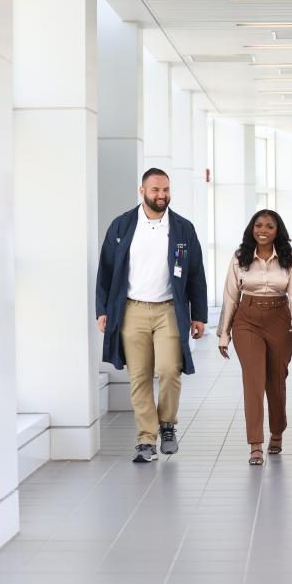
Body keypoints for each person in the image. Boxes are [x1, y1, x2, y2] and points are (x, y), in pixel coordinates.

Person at [96, 168, 208, 463]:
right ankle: (146, 440)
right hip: (132, 310)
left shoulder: (183, 228)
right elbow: (105, 271)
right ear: (142, 191)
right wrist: (103, 310)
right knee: (139, 376)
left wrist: (199, 314)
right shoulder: (122, 226)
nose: (162, 195)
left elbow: (196, 273)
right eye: (156, 190)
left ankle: (167, 425)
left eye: (166, 190)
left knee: (171, 369)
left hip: (169, 309)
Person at [217, 210, 292, 465]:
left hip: (280, 320)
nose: (262, 230)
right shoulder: (240, 257)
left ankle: (277, 432)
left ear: (278, 231)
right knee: (253, 380)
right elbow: (230, 296)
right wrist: (224, 334)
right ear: (251, 228)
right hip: (247, 319)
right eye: (258, 225)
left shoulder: (290, 258)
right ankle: (255, 443)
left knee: (276, 381)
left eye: (269, 226)